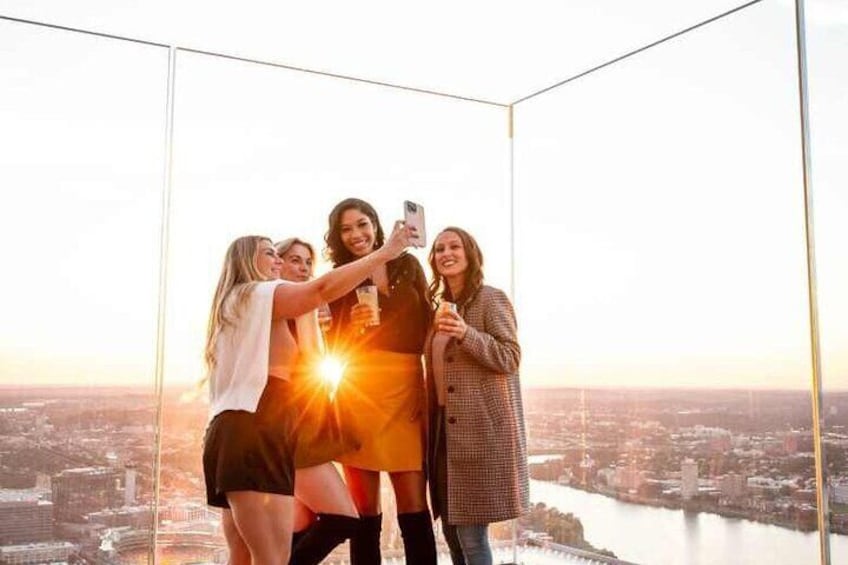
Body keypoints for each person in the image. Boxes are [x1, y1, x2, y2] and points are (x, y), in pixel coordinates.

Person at [202, 224, 411, 565]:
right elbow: (322, 289)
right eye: (269, 253)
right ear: (246, 260)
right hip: (257, 429)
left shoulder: (240, 306)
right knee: (272, 558)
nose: (278, 260)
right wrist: (385, 253)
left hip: (238, 431)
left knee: (243, 555)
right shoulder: (255, 293)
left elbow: (311, 355)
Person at [323, 198, 437, 565]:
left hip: (406, 391)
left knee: (414, 507)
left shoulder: (408, 265)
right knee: (364, 512)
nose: (356, 234)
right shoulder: (340, 275)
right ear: (338, 237)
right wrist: (351, 327)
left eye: (362, 224)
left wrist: (428, 391)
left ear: (375, 224)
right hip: (358, 392)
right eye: (346, 229)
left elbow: (427, 326)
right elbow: (331, 346)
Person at [424, 227, 529, 565]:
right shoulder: (439, 307)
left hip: (478, 433)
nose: (446, 253)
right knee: (451, 532)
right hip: (443, 434)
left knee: (471, 536)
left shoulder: (490, 298)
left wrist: (466, 333)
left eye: (454, 246)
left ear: (470, 254)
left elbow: (510, 357)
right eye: (440, 248)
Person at [273, 236, 360, 563]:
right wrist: (310, 315)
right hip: (291, 427)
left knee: (302, 521)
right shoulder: (285, 307)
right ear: (277, 263)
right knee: (342, 518)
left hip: (300, 420)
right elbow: (311, 360)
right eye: (295, 260)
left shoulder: (287, 308)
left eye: (308, 262)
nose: (304, 268)